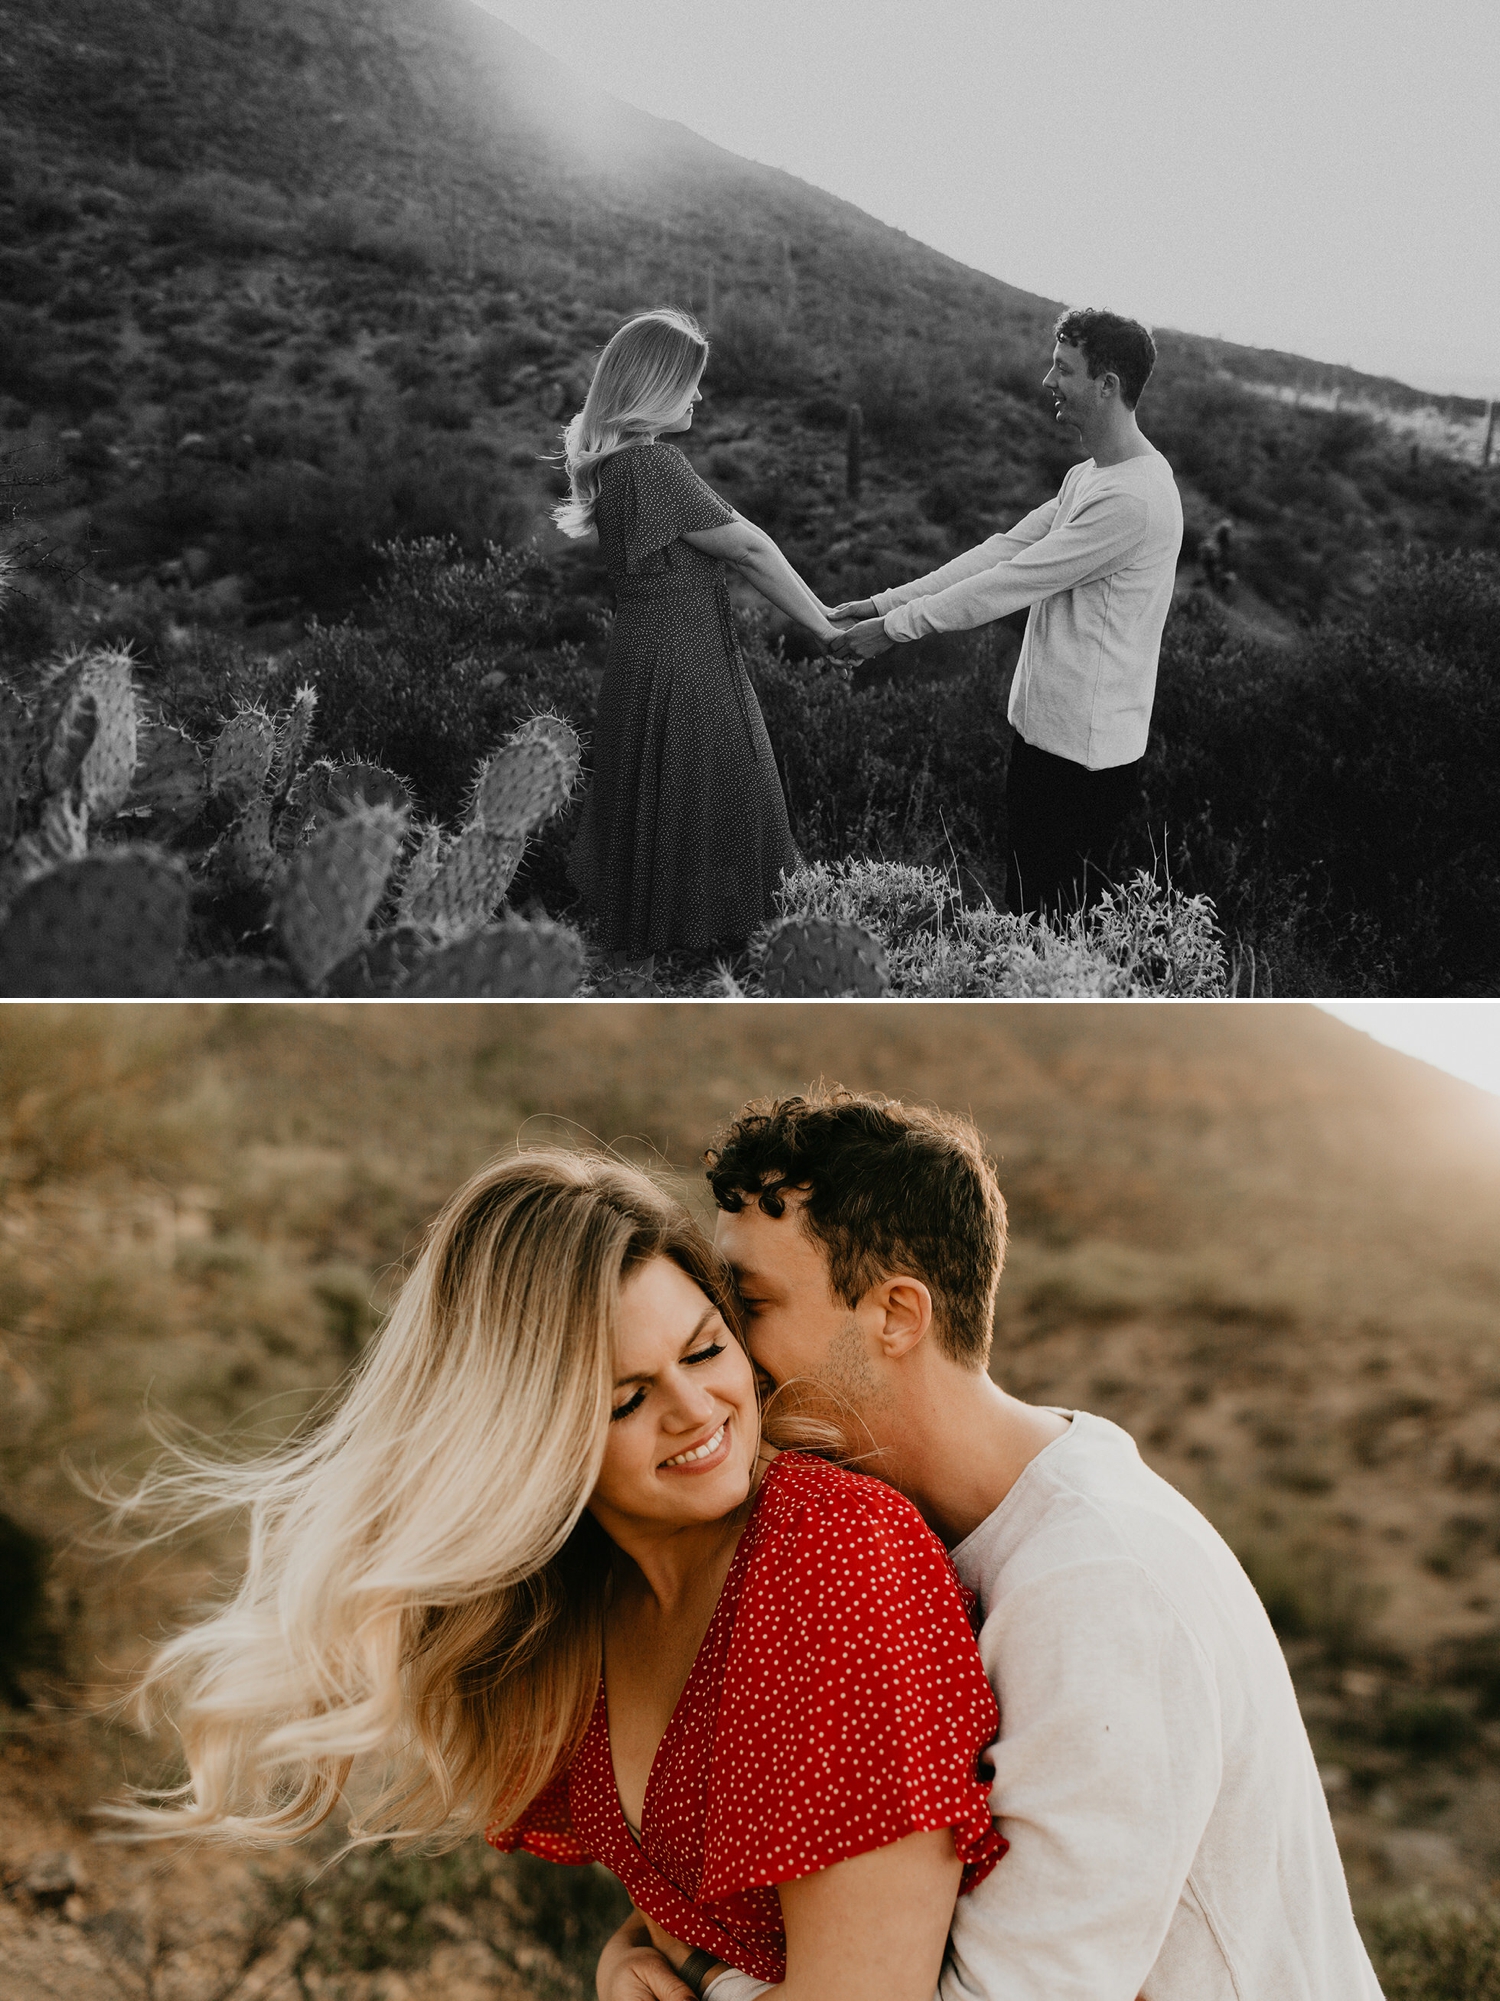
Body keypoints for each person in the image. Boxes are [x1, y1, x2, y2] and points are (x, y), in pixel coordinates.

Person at [104, 1152, 1005, 2001]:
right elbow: (736, 1884)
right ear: (532, 1439)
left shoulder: (831, 1555)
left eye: (702, 1351)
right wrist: (633, 1952)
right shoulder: (580, 1607)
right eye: (626, 1398)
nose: (698, 1412)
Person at [600, 1089, 1383, 2001]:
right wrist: (630, 1945)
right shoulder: (909, 1529)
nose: (727, 1346)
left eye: (753, 1302)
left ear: (897, 1314)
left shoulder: (1097, 1587)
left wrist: (702, 1976)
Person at [830, 310, 1184, 921]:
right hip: (1045, 738)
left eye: (1064, 368)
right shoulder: (1090, 476)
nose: (1049, 379)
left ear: (1108, 385)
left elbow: (1012, 583)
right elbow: (1002, 550)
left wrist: (893, 631)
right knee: (1027, 913)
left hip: (1084, 761)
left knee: (1053, 929)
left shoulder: (1133, 498)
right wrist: (885, 602)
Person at [555, 309, 841, 976]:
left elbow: (736, 534)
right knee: (723, 798)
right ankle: (716, 965)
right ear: (654, 385)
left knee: (664, 809)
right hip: (684, 661)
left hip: (643, 660)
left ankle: (662, 965)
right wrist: (824, 625)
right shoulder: (653, 463)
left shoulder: (619, 467)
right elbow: (746, 547)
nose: (700, 395)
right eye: (690, 381)